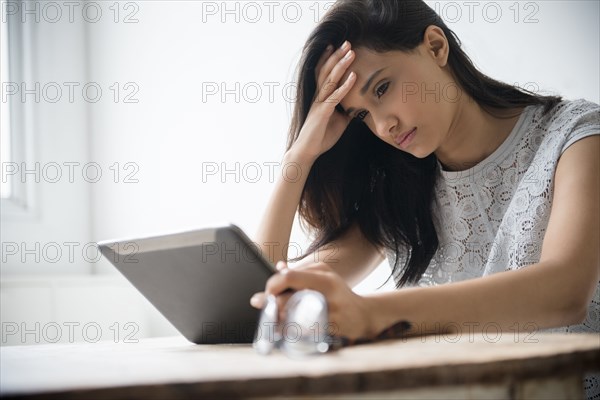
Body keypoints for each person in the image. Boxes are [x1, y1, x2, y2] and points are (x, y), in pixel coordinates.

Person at [250, 0, 599, 396]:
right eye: (362, 115)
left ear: (435, 47)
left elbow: (566, 292)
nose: (384, 125)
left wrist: (372, 315)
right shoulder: (402, 194)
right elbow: (268, 294)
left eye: (382, 88)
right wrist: (300, 155)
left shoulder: (577, 136)